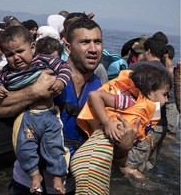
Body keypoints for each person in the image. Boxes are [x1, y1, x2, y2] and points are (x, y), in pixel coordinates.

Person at [0, 18, 138, 194]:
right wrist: (34, 92)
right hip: (29, 182)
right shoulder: (44, 74)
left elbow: (116, 159)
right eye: (84, 42)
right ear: (68, 47)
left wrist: (124, 148)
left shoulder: (103, 87)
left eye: (97, 42)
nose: (93, 49)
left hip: (71, 185)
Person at [0, 25, 71, 193]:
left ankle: (57, 177)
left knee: (54, 146)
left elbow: (64, 67)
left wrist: (60, 82)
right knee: (24, 147)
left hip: (48, 114)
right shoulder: (7, 72)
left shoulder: (42, 60)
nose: (16, 58)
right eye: (10, 54)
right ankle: (35, 176)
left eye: (20, 51)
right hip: (25, 117)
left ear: (32, 47)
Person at [73, 65, 171, 193]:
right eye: (165, 94)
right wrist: (107, 122)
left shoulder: (148, 111)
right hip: (97, 149)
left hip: (111, 153)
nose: (167, 99)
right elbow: (94, 95)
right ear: (150, 92)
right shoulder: (130, 102)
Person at [128, 36, 171, 174]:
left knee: (132, 168)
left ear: (148, 51)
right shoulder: (167, 73)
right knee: (148, 167)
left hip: (145, 124)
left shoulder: (137, 67)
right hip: (161, 124)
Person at [162, 45, 180, 137]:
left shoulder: (172, 70)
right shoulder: (171, 70)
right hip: (169, 104)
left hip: (171, 104)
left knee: (170, 134)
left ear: (166, 55)